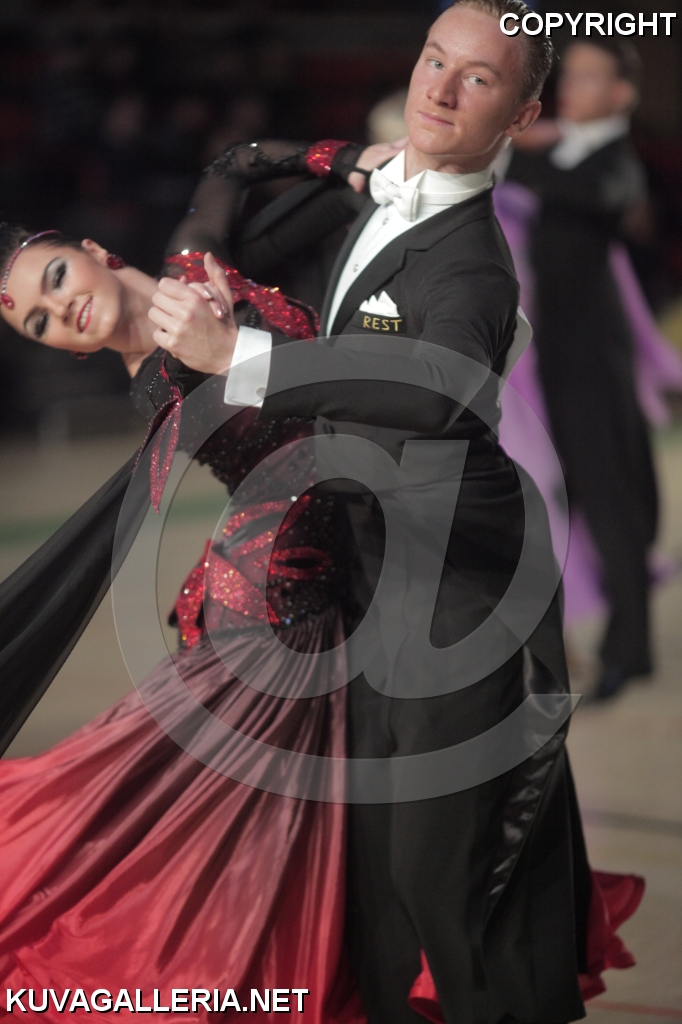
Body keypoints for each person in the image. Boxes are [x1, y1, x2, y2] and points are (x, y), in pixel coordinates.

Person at [0, 4, 643, 1021]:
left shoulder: (199, 269)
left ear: (87, 249)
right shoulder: (159, 374)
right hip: (301, 601)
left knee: (419, 869)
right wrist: (230, 360)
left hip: (398, 575)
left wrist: (340, 159)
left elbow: (234, 163)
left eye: (52, 280)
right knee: (339, 869)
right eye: (39, 323)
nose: (59, 311)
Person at [505, 38, 660, 701]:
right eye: (571, 74)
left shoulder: (612, 159)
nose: (573, 85)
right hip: (555, 363)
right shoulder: (561, 152)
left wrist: (511, 150)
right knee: (573, 502)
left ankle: (629, 648)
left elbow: (597, 193)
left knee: (610, 503)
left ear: (623, 94)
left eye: (593, 76)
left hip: (594, 363)